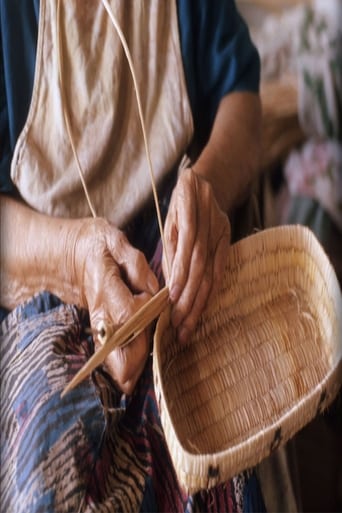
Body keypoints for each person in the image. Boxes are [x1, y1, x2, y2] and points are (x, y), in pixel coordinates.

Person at [0, 1, 264, 511]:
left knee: (210, 450)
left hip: (174, 260)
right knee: (54, 473)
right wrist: (77, 259)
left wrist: (208, 182)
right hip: (44, 273)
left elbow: (242, 99)